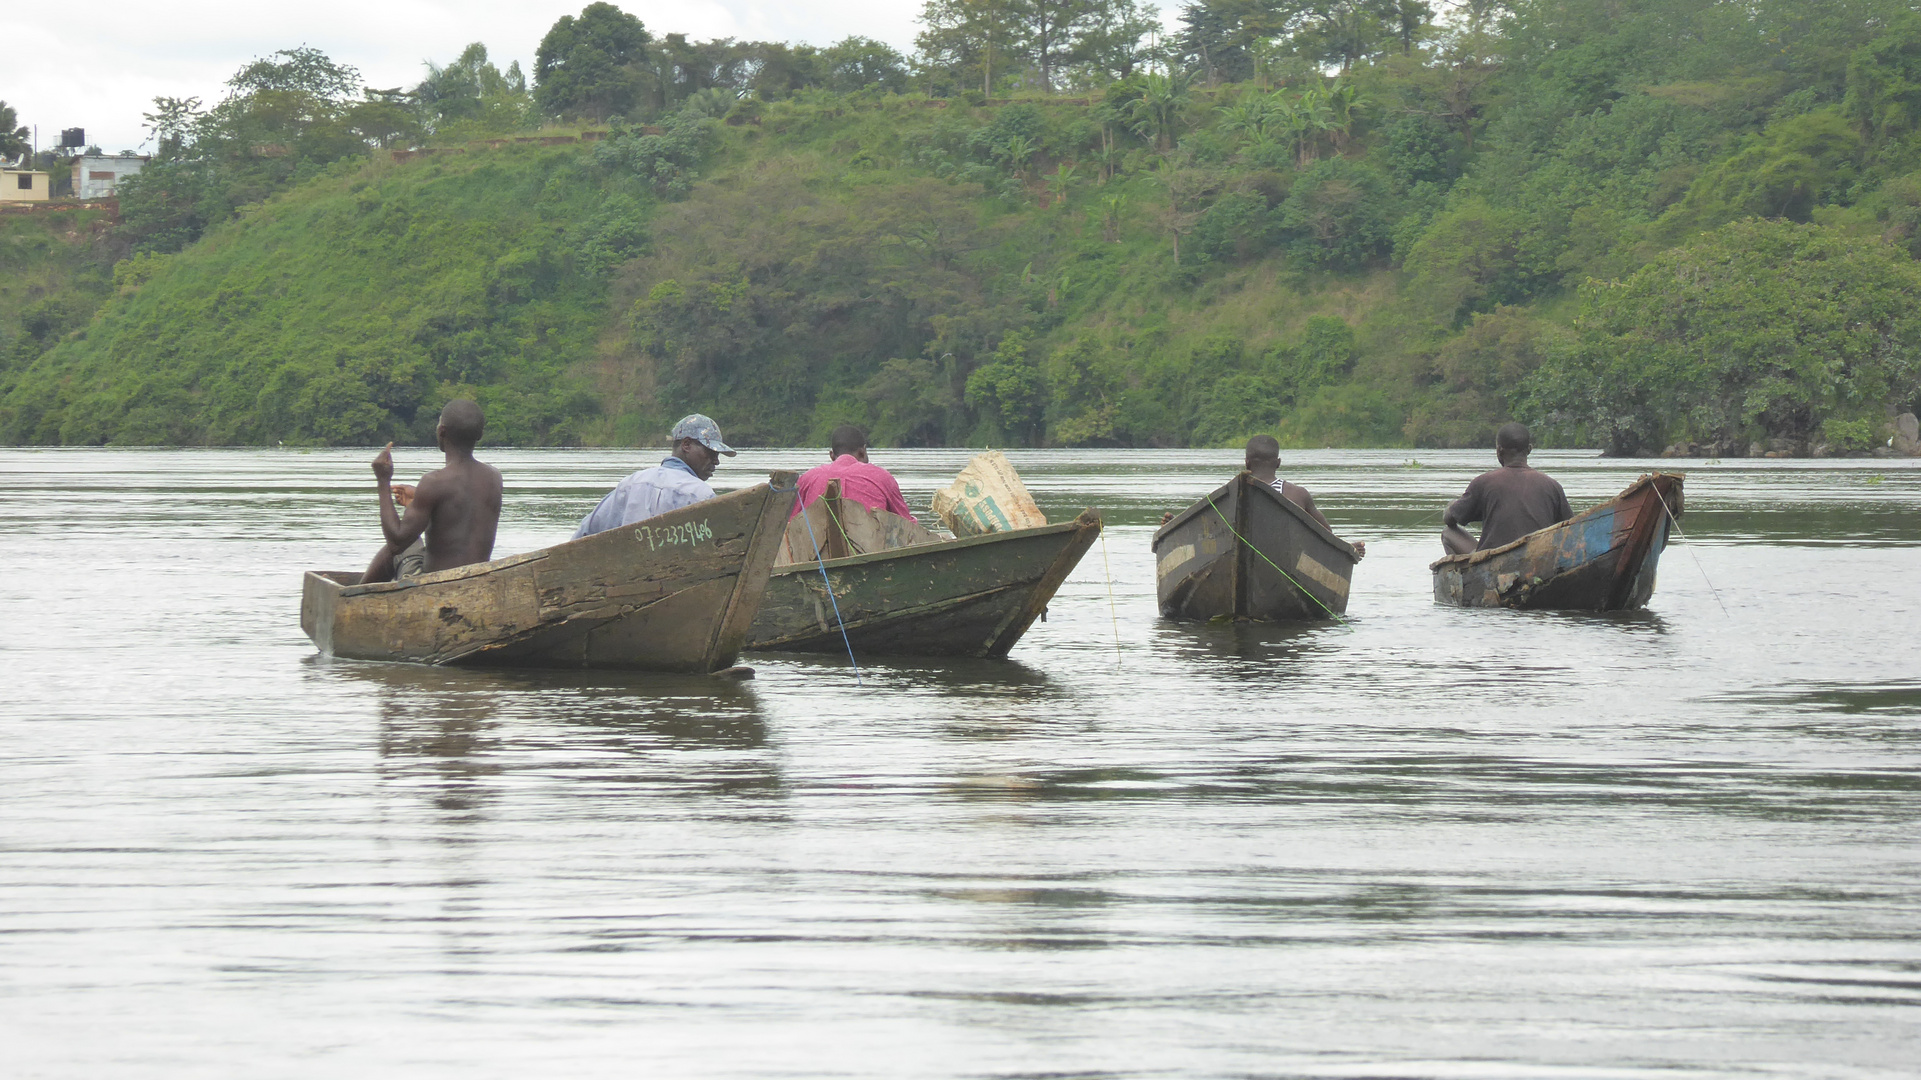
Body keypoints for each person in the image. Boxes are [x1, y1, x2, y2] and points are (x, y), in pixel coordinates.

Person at [361, 399, 503, 584]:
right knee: (412, 543)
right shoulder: (494, 477)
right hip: (475, 582)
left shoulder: (433, 482)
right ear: (480, 434)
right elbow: (457, 518)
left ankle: (351, 598)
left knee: (398, 548)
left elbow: (397, 541)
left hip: (435, 585)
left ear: (441, 431)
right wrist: (420, 498)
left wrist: (383, 481)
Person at [573, 413, 735, 539]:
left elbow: (585, 533)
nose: (716, 461)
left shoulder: (632, 483)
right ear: (686, 445)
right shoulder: (700, 494)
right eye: (710, 452)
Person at [1441, 421, 1574, 555]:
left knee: (1448, 533)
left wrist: (1451, 506)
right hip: (1539, 556)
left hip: (1491, 559)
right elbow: (1570, 529)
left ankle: (1463, 575)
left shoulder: (1483, 482)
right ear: (1529, 449)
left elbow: (1449, 520)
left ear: (1499, 450)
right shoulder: (1552, 486)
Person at [1241, 434, 1365, 558]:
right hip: (1287, 558)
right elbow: (1327, 535)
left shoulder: (1233, 492)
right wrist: (1347, 549)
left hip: (1247, 553)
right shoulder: (1298, 494)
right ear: (1278, 463)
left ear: (1247, 462)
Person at [791, 424, 914, 520]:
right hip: (870, 547)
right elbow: (907, 523)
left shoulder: (808, 478)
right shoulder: (882, 477)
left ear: (832, 455)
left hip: (815, 549)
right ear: (862, 452)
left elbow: (790, 522)